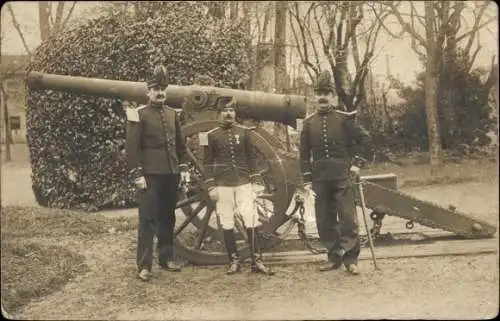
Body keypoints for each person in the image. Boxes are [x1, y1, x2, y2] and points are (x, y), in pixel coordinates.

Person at [299, 70, 371, 275]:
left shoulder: (344, 119)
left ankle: (351, 259)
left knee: (348, 218)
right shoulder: (308, 123)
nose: (322, 97)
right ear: (314, 96)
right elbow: (303, 154)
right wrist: (306, 180)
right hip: (320, 178)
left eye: (327, 93)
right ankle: (333, 256)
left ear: (333, 97)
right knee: (324, 219)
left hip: (342, 175)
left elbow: (364, 140)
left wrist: (356, 164)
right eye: (319, 92)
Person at [125, 64, 188, 282]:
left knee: (167, 218)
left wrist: (184, 168)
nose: (160, 92)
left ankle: (166, 258)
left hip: (171, 174)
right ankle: (144, 265)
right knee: (148, 220)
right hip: (150, 176)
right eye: (155, 88)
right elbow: (132, 148)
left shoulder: (172, 114)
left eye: (163, 88)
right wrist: (137, 174)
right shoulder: (138, 115)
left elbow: (181, 145)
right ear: (147, 92)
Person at [202, 97, 274, 275]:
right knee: (227, 222)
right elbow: (207, 164)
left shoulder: (245, 133)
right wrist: (211, 186)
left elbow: (252, 159)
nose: (228, 114)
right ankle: (233, 260)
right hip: (223, 185)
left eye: (231, 110)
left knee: (251, 220)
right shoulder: (211, 135)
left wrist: (256, 181)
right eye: (225, 110)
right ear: (219, 113)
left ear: (234, 113)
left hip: (244, 183)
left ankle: (256, 260)